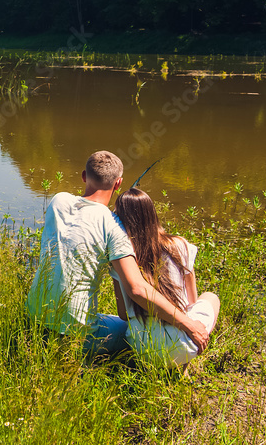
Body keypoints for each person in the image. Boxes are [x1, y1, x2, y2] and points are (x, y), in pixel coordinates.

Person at [26, 151, 209, 358]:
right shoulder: (114, 226)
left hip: (34, 322)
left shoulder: (58, 201)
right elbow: (137, 289)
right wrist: (188, 324)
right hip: (78, 337)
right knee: (129, 328)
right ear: (118, 184)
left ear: (84, 176)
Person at [111, 188, 220, 367]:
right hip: (185, 345)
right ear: (152, 214)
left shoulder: (123, 259)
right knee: (211, 298)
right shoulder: (180, 245)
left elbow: (123, 314)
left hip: (142, 348)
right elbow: (191, 303)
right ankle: (184, 366)